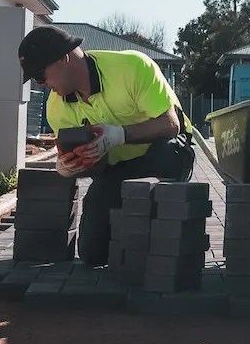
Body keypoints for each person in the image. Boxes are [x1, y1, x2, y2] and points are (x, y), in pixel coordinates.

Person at [17, 25, 195, 266]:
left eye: (40, 75)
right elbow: (95, 168)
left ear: (64, 59)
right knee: (93, 253)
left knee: (149, 229)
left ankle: (160, 235)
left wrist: (119, 135)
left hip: (164, 153)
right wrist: (74, 166)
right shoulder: (57, 108)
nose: (40, 84)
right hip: (118, 167)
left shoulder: (132, 68)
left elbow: (170, 125)